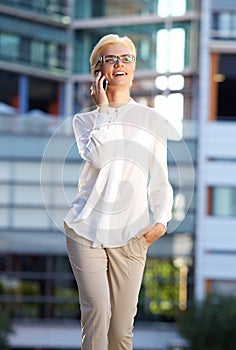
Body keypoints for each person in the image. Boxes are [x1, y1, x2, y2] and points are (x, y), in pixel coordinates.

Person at [64, 34, 173, 350]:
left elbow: (161, 180)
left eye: (126, 58)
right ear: (98, 70)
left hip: (132, 235)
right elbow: (100, 157)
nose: (120, 64)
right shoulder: (85, 121)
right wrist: (103, 110)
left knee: (121, 330)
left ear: (134, 67)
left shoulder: (152, 120)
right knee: (98, 315)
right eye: (111, 59)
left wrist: (160, 222)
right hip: (87, 231)